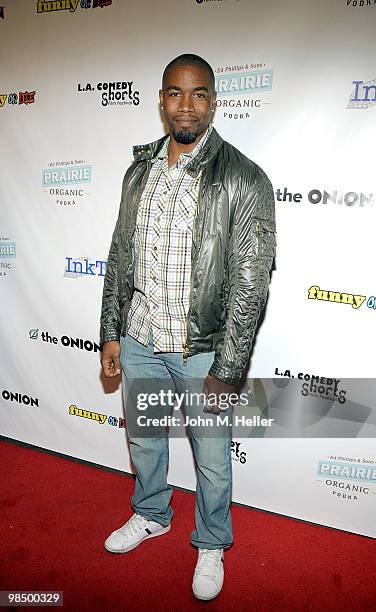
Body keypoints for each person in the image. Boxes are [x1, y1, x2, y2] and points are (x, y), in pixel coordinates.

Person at [99, 53, 276, 601]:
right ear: (160, 100)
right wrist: (111, 330)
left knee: (212, 456)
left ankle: (212, 540)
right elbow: (120, 253)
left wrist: (228, 368)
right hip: (141, 338)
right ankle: (151, 513)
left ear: (215, 102)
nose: (186, 105)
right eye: (175, 93)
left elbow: (251, 285)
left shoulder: (244, 178)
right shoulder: (140, 170)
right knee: (145, 440)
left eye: (199, 94)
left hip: (200, 350)